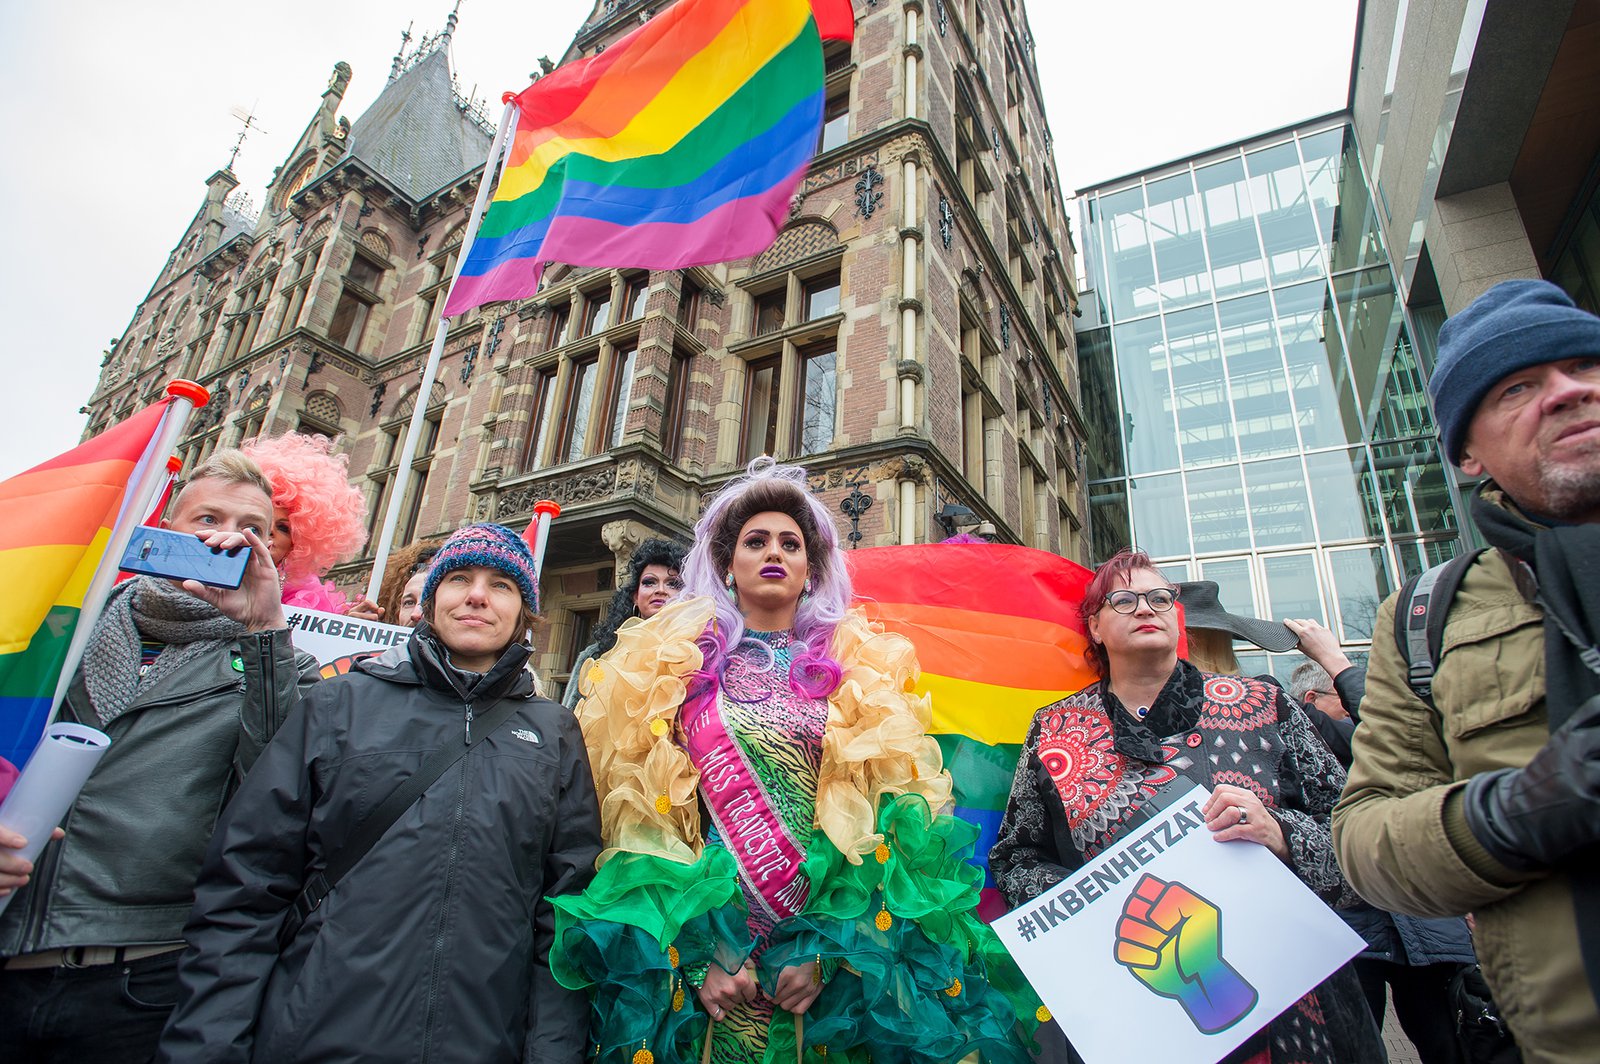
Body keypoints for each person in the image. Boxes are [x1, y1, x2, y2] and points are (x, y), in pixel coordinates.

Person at [558, 458, 1041, 1064]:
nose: (773, 553)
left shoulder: (857, 676)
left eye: (790, 543)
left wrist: (831, 948)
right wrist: (705, 949)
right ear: (727, 565)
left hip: (821, 952)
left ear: (811, 570)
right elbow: (639, 822)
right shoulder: (672, 671)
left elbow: (887, 818)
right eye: (754, 541)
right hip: (706, 949)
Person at [157, 523, 601, 1064]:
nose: (478, 595)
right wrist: (210, 1048)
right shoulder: (337, 705)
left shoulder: (554, 732)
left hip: (481, 1042)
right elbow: (247, 886)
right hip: (317, 1036)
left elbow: (564, 914)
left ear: (523, 612)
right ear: (430, 600)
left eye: (502, 585)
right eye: (460, 578)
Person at [1333, 279, 1600, 1062]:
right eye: (1518, 385)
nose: (1566, 393)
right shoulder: (1424, 620)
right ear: (1467, 453)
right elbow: (1365, 837)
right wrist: (1514, 812)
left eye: (1586, 366)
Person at [991, 550, 1384, 1064]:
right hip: (1137, 1009)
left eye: (1159, 597)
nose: (1144, 608)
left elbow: (1360, 831)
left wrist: (1281, 833)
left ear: (1176, 614)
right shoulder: (1054, 729)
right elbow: (1015, 858)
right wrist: (1095, 902)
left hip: (1294, 1007)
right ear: (1096, 626)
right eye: (1123, 599)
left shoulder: (1263, 703)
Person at [0, 450, 321, 1064]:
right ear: (164, 527)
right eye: (207, 516)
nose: (227, 537)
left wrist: (264, 635)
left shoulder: (282, 663)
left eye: (253, 528)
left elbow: (281, 795)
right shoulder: (58, 629)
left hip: (142, 976)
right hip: (13, 943)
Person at [1290, 659, 1475, 1063]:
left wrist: (1340, 668)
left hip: (1425, 924)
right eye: (1344, 698)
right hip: (1354, 929)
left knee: (1453, 1044)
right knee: (1356, 1049)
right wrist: (1335, 663)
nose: (1357, 708)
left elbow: (1396, 735)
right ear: (1312, 701)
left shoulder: (1383, 748)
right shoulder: (1304, 732)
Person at [238, 432, 371, 615]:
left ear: (296, 544)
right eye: (259, 520)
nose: (269, 531)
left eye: (284, 528)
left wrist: (345, 626)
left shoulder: (308, 604)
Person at [561, 538, 686, 709]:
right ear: (635, 596)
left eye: (673, 584)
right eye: (649, 582)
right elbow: (569, 721)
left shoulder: (699, 653)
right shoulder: (598, 655)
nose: (660, 590)